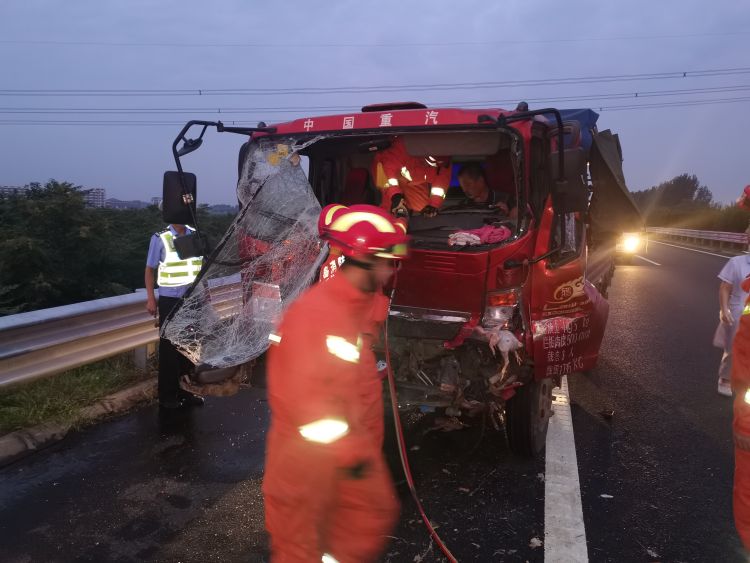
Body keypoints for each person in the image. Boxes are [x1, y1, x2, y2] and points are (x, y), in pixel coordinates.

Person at [263, 204, 405, 562]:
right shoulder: (318, 316)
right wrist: (356, 458)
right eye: (388, 261)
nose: (391, 271)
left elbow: (350, 387)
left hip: (337, 465)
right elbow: (307, 407)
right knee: (303, 550)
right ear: (366, 261)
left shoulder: (351, 310)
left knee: (362, 525)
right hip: (309, 471)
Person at [145, 223, 204, 409]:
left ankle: (186, 392)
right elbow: (149, 269)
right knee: (169, 348)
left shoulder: (195, 235)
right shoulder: (161, 237)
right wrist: (151, 299)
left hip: (193, 298)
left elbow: (200, 267)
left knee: (189, 346)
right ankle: (167, 396)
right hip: (170, 299)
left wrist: (205, 294)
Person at [372, 136, 450, 218]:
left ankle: (404, 215)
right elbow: (388, 172)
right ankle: (388, 219)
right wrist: (395, 195)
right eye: (435, 163)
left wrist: (434, 204)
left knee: (422, 206)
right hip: (385, 169)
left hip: (412, 178)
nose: (437, 166)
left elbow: (441, 181)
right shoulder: (402, 147)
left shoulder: (444, 160)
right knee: (391, 203)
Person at [716, 243, 750, 396]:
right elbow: (725, 287)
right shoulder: (737, 262)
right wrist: (724, 309)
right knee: (734, 347)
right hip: (739, 311)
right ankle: (726, 378)